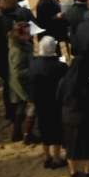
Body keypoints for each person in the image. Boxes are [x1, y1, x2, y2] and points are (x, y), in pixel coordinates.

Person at [57, 55, 89, 177]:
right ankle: (87, 171)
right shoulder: (88, 84)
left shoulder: (64, 82)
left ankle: (73, 172)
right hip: (86, 118)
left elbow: (58, 98)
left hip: (68, 118)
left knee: (71, 146)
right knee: (87, 145)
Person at [28, 36, 66, 169]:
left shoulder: (33, 64)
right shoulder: (60, 66)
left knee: (44, 129)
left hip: (41, 103)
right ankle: (56, 157)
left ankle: (46, 156)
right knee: (56, 131)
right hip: (55, 103)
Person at [7, 21, 34, 143]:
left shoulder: (21, 45)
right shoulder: (18, 51)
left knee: (20, 107)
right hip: (21, 84)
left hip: (20, 82)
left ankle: (17, 132)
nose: (30, 35)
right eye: (27, 33)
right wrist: (33, 69)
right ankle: (27, 134)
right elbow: (17, 73)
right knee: (30, 106)